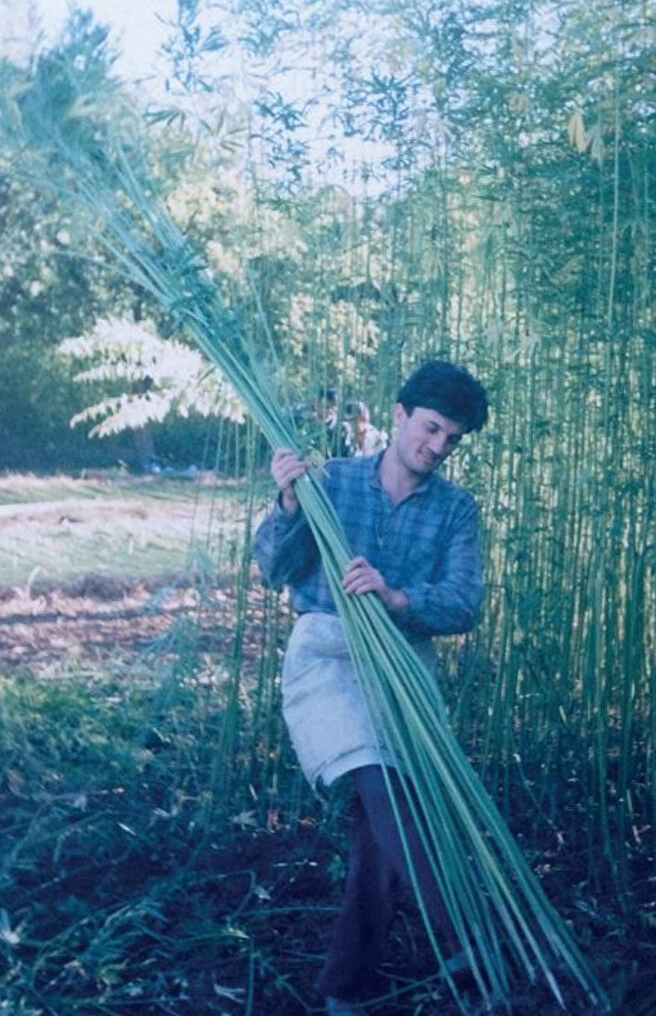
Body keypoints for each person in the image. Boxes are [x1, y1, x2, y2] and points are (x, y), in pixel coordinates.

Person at [253, 360, 489, 1016]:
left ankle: (345, 986)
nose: (437, 447)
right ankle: (468, 942)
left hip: (402, 667)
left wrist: (396, 596)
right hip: (327, 657)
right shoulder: (331, 481)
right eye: (431, 428)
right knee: (382, 787)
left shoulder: (456, 509)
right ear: (398, 414)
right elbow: (274, 566)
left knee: (377, 830)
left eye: (452, 440)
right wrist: (289, 504)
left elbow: (464, 604)